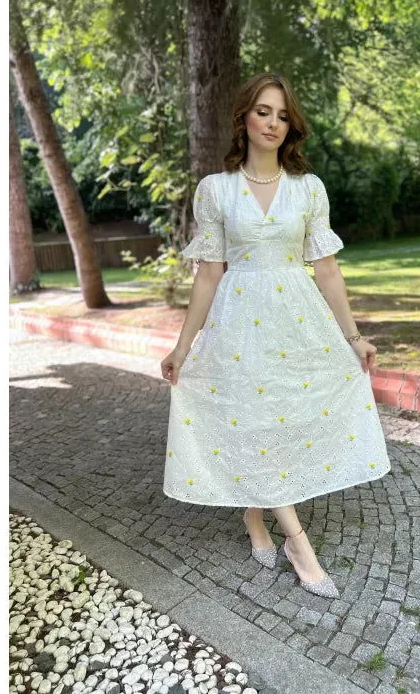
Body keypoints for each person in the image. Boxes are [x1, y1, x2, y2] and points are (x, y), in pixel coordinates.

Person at [160, 72, 391, 598]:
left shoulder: (308, 189)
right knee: (255, 423)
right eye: (264, 111)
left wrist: (353, 337)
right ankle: (297, 540)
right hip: (237, 323)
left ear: (293, 126)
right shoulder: (215, 191)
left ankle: (255, 520)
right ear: (243, 117)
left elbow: (327, 270)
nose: (273, 123)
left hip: (297, 320)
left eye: (283, 115)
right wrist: (182, 346)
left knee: (279, 422)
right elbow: (209, 274)